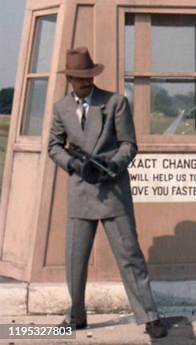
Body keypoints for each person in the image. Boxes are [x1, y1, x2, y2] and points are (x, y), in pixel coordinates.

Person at [48, 47, 166, 338]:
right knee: (75, 260)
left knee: (130, 256)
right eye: (79, 78)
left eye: (89, 77)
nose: (85, 82)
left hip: (113, 191)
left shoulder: (115, 103)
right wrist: (74, 164)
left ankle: (150, 316)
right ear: (70, 79)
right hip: (80, 193)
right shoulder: (61, 108)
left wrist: (112, 165)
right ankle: (76, 315)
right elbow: (53, 146)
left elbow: (130, 144)